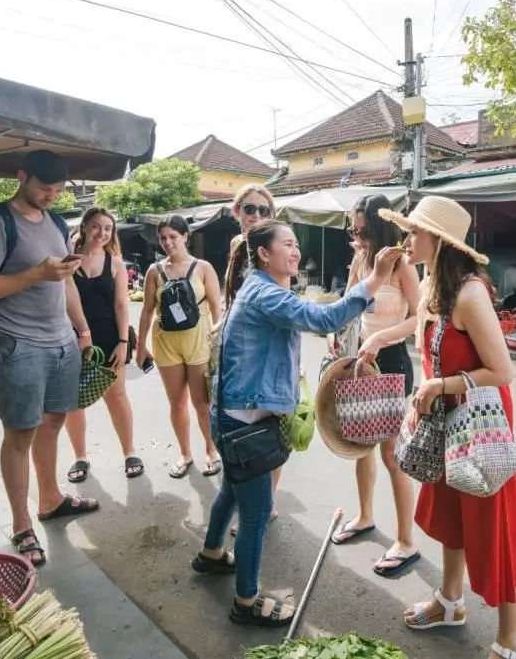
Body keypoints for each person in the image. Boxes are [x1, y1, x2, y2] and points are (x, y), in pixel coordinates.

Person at [191, 219, 401, 627]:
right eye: (287, 244)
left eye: (296, 244)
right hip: (245, 423)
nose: (296, 251)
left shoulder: (258, 287)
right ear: (264, 254)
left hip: (233, 417)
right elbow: (323, 320)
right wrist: (374, 279)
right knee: (255, 515)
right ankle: (247, 603)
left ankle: (212, 553)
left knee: (231, 492)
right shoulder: (265, 293)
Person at [379, 197, 516, 659]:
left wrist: (439, 386)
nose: (408, 241)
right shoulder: (433, 288)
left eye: (415, 233)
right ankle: (451, 602)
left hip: (480, 430)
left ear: (440, 241)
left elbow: (502, 371)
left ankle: (509, 642)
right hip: (445, 423)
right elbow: (428, 353)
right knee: (450, 517)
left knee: (495, 530)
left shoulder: (470, 294)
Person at [0, 150, 99, 568]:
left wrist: (82, 331)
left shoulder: (59, 223)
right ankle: (22, 523)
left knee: (53, 422)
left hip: (61, 343)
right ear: (22, 176)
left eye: (58, 190)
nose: (51, 196)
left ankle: (50, 499)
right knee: (20, 432)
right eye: (45, 187)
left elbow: (66, 285)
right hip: (16, 344)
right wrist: (35, 274)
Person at [327, 194, 421, 577]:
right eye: (353, 229)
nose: (357, 236)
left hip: (391, 361)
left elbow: (420, 318)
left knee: (390, 454)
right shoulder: (360, 260)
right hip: (360, 361)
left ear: (380, 229)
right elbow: (350, 301)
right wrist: (338, 329)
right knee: (360, 446)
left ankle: (406, 540)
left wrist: (381, 339)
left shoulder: (402, 265)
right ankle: (365, 516)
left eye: (363, 230)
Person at [136, 215, 223, 478]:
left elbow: (218, 310)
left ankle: (211, 451)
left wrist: (221, 345)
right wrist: (141, 347)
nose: (168, 242)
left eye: (173, 236)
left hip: (199, 341)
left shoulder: (203, 268)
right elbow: (147, 309)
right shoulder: (155, 270)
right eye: (163, 237)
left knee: (202, 404)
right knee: (177, 403)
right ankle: (185, 453)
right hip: (165, 342)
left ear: (186, 236)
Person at [221, 184, 285, 533]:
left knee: (270, 423)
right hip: (238, 347)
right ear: (237, 211)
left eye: (264, 210)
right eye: (250, 209)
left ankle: (266, 501)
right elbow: (231, 296)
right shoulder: (235, 247)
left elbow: (286, 304)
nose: (257, 216)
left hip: (268, 347)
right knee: (239, 421)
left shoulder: (276, 246)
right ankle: (248, 496)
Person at [64, 207, 142, 483]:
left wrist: (123, 342)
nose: (102, 233)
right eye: (96, 226)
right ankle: (80, 457)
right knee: (73, 401)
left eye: (108, 229)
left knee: (116, 395)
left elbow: (122, 304)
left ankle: (130, 452)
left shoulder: (116, 263)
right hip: (71, 337)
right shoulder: (68, 260)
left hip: (110, 337)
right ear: (84, 227)